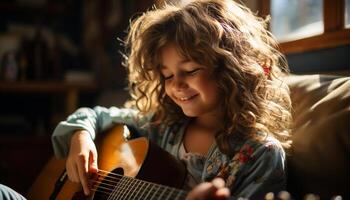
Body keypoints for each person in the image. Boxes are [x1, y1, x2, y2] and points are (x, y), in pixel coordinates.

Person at [54, 0, 292, 199]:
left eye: (190, 71)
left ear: (231, 69)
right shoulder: (164, 125)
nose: (176, 85)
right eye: (167, 75)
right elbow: (96, 115)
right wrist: (80, 137)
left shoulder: (261, 154)